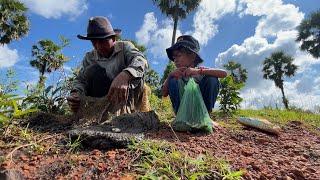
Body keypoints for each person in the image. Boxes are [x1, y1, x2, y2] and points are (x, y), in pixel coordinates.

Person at [67, 16, 148, 114]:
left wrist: (125, 74)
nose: (98, 46)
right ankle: (101, 114)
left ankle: (125, 112)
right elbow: (81, 80)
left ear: (113, 39)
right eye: (94, 42)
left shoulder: (125, 47)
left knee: (138, 75)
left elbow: (141, 60)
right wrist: (76, 93)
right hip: (102, 102)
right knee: (92, 71)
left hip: (127, 99)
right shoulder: (90, 57)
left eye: (102, 41)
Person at [161, 35, 227, 114]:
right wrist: (170, 76)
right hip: (183, 113)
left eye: (179, 55)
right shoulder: (175, 74)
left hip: (200, 112)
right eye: (174, 57)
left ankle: (205, 116)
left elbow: (224, 73)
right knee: (173, 80)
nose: (176, 60)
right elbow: (164, 93)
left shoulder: (200, 71)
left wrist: (198, 71)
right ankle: (180, 117)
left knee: (212, 79)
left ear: (192, 56)